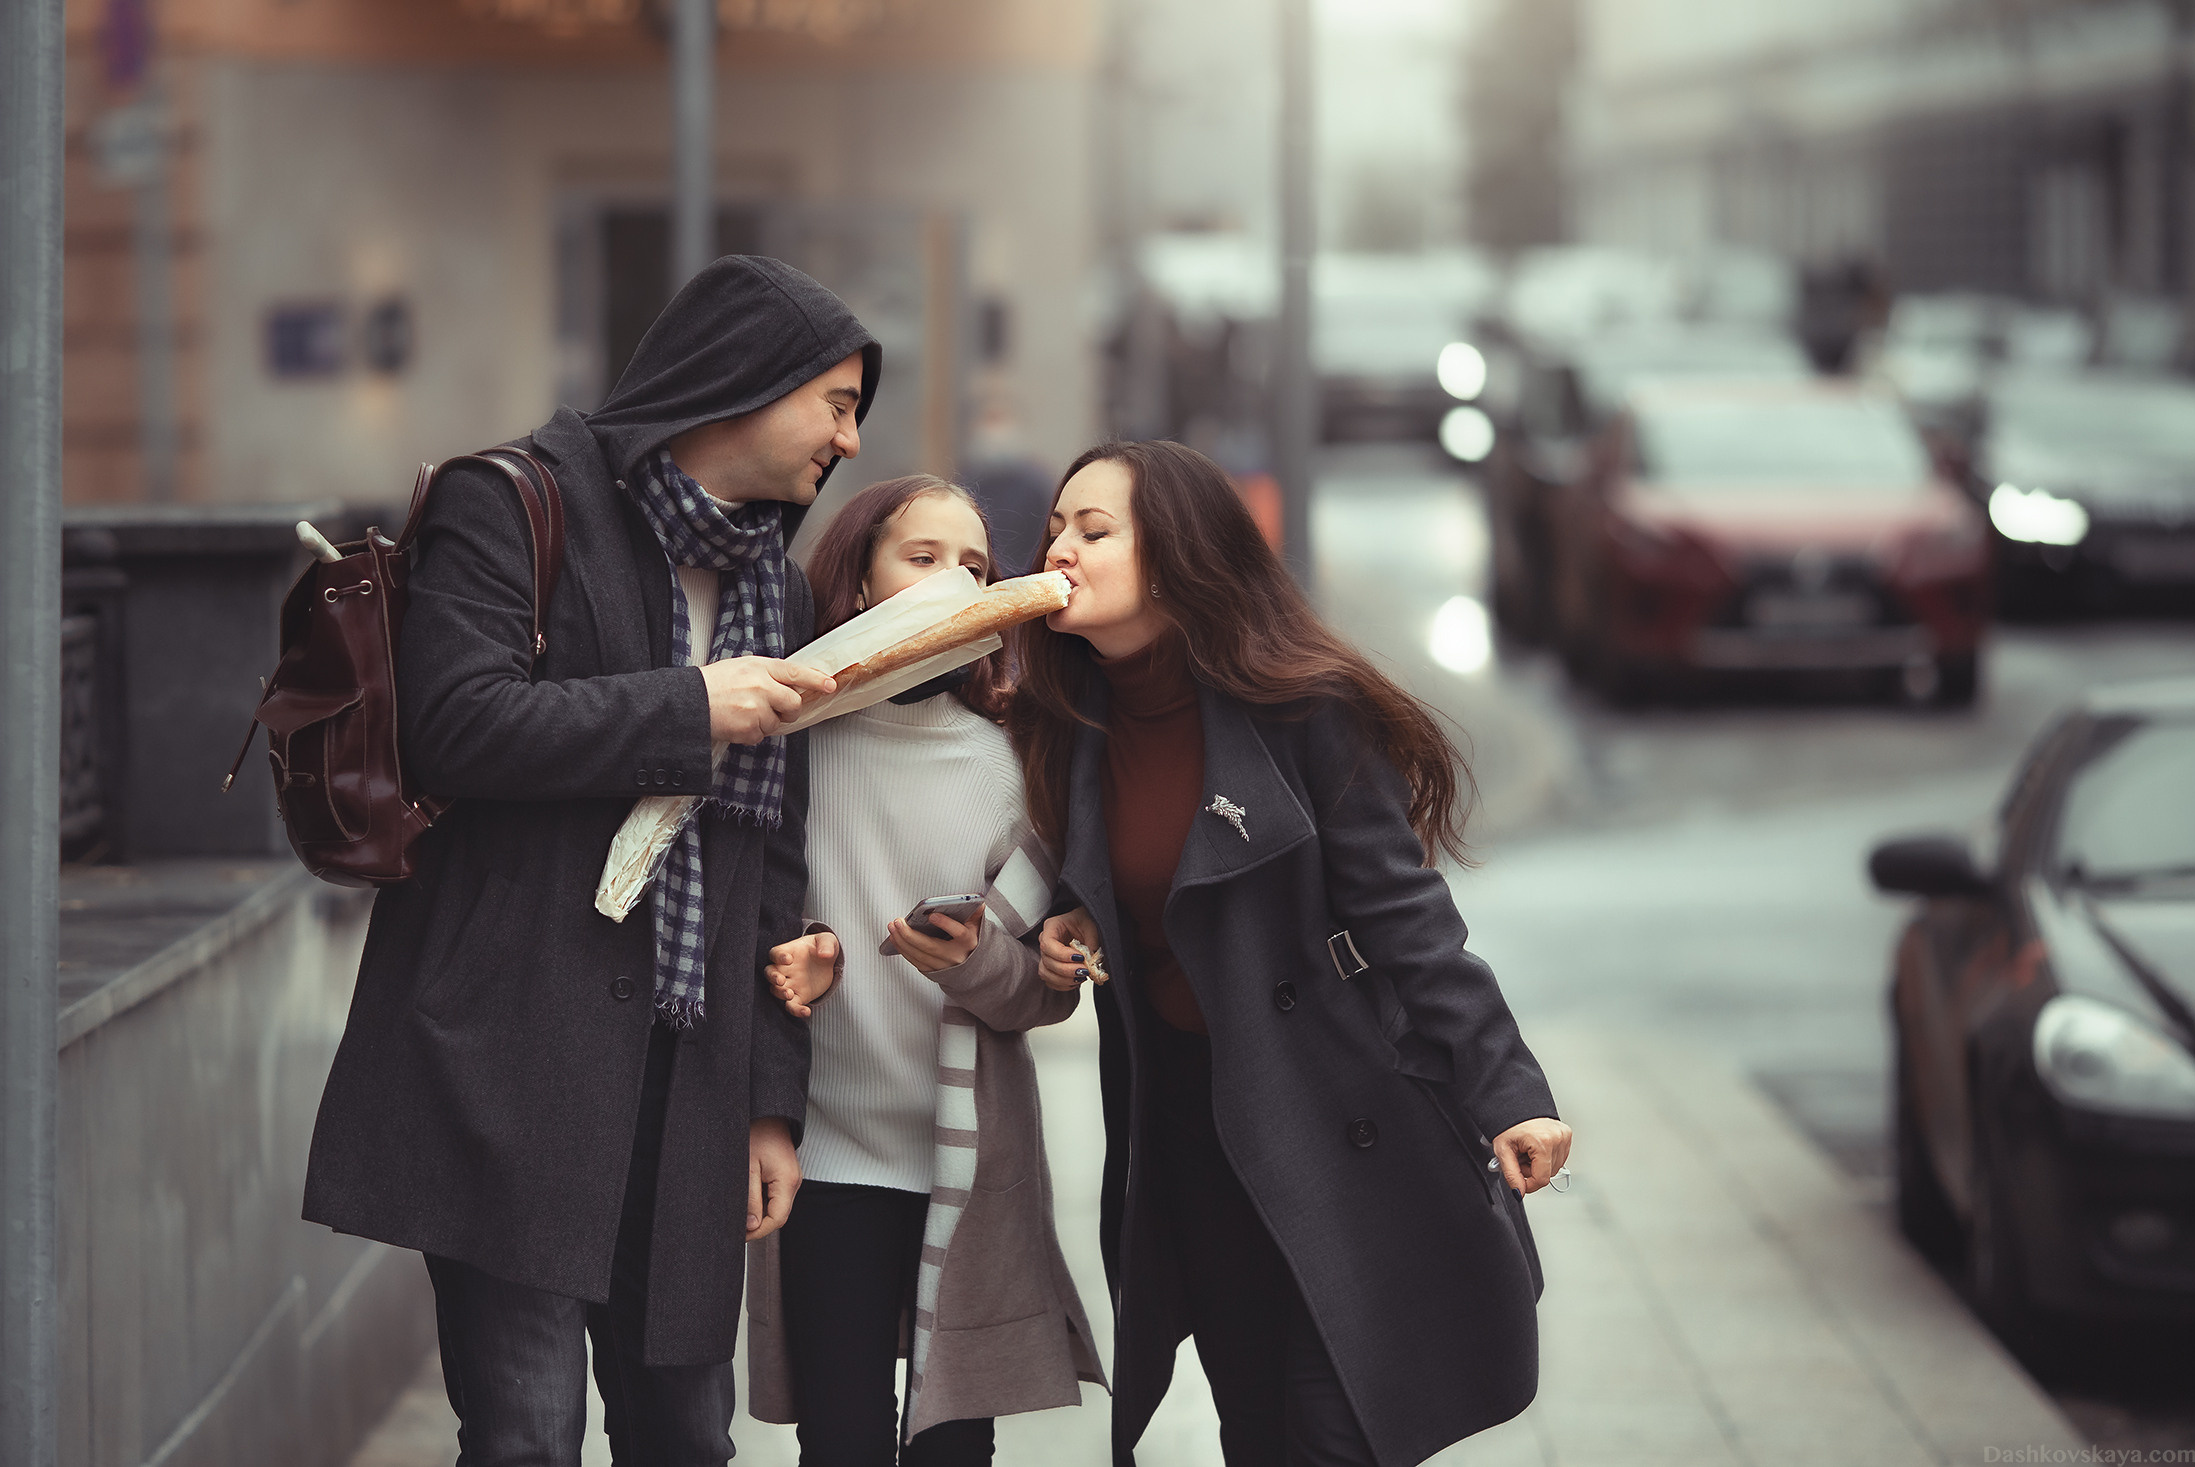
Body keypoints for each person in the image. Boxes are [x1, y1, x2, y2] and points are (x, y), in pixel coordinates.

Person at [301, 255, 880, 1465]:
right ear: (743, 382)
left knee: (685, 1438)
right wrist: (688, 707)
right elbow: (455, 723)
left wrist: (770, 1104)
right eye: (834, 400)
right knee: (525, 1437)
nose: (851, 438)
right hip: (510, 1059)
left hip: (688, 1081)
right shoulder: (512, 502)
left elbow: (769, 860)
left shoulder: (774, 584)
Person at [1010, 440, 1573, 1467]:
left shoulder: (1304, 711)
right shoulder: (1070, 722)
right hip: (1193, 1137)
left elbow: (1411, 921)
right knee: (1256, 1435)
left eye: (1094, 531)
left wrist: (1507, 1090)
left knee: (1331, 1436)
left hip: (1333, 1119)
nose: (1060, 550)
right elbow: (1115, 871)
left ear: (1179, 557)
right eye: (1054, 528)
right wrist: (1067, 915)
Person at [747, 475, 1106, 1465]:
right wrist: (798, 955)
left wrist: (972, 960)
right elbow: (741, 927)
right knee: (842, 1442)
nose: (955, 585)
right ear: (856, 587)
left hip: (963, 1161)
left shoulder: (1006, 765)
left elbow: (1039, 992)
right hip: (821, 1159)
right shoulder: (784, 748)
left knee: (955, 1451)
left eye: (977, 568)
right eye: (922, 558)